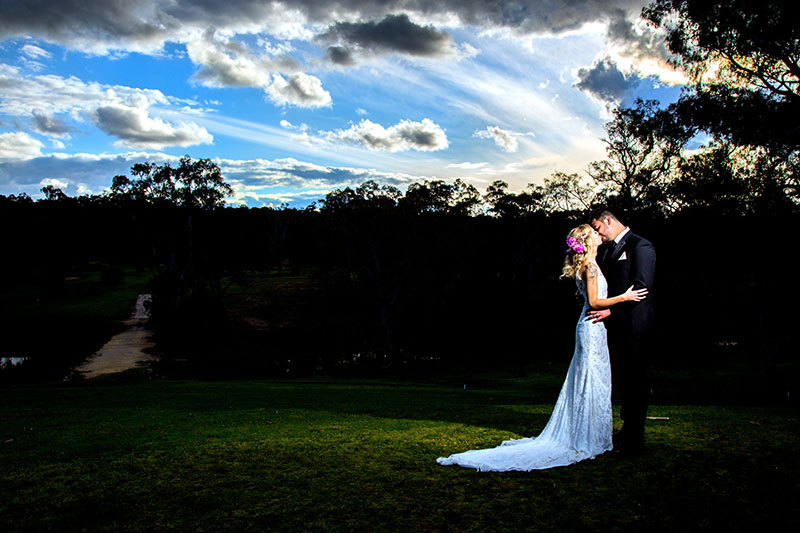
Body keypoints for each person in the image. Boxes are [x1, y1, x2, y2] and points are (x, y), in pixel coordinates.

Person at [436, 224, 647, 471]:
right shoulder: (589, 267)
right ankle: (586, 436)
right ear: (589, 241)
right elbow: (594, 301)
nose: (599, 235)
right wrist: (624, 297)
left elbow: (585, 298)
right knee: (589, 379)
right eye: (594, 233)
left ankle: (593, 433)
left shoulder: (588, 265)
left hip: (593, 327)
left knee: (594, 379)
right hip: (591, 328)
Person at [588, 207, 656, 455]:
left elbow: (642, 289)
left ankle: (635, 438)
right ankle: (627, 430)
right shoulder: (606, 251)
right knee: (624, 380)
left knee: (636, 380)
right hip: (616, 327)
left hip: (636, 326)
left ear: (608, 220)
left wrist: (611, 312)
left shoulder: (641, 246)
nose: (598, 234)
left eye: (598, 228)